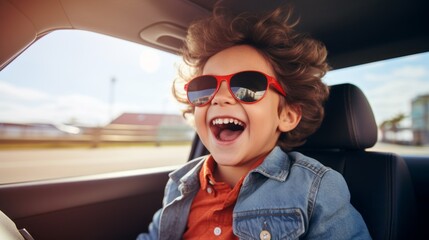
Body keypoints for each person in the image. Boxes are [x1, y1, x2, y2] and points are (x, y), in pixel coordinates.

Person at [137, 6, 371, 240]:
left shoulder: (315, 189)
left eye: (247, 86)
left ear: (287, 115)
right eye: (205, 87)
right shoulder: (181, 184)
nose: (220, 97)